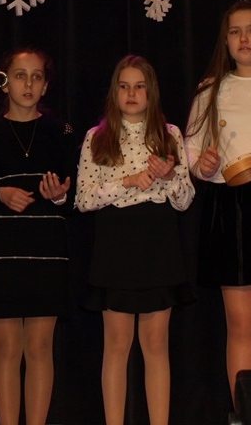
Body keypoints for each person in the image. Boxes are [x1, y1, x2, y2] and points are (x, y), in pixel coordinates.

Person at [76, 54, 194, 425]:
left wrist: (169, 176)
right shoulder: (97, 137)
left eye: (139, 86)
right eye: (124, 86)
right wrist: (126, 182)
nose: (131, 93)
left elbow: (185, 200)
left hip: (158, 240)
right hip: (116, 242)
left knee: (156, 345)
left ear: (151, 91)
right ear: (114, 92)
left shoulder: (169, 134)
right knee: (116, 345)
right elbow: (83, 200)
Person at [0, 48, 76, 425]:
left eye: (37, 76)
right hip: (0, 254)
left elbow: (79, 195)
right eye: (20, 75)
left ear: (46, 86)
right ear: (4, 83)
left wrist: (59, 195)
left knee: (40, 346)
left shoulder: (61, 132)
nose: (28, 84)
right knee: (7, 346)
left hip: (47, 252)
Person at [185, 0, 251, 401]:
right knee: (242, 326)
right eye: (235, 31)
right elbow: (191, 150)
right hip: (231, 207)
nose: (244, 38)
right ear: (225, 40)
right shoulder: (211, 91)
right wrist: (203, 164)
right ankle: (247, 413)